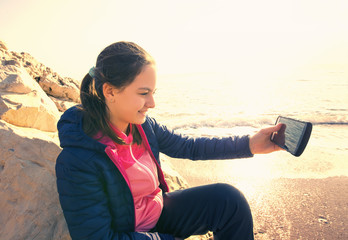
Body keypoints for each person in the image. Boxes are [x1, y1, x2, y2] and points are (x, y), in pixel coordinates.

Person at [55, 41, 283, 240]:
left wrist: (249, 144)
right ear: (110, 91)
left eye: (154, 92)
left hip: (159, 215)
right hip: (130, 234)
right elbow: (97, 238)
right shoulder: (78, 159)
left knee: (229, 200)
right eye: (143, 93)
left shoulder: (143, 127)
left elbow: (189, 146)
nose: (152, 103)